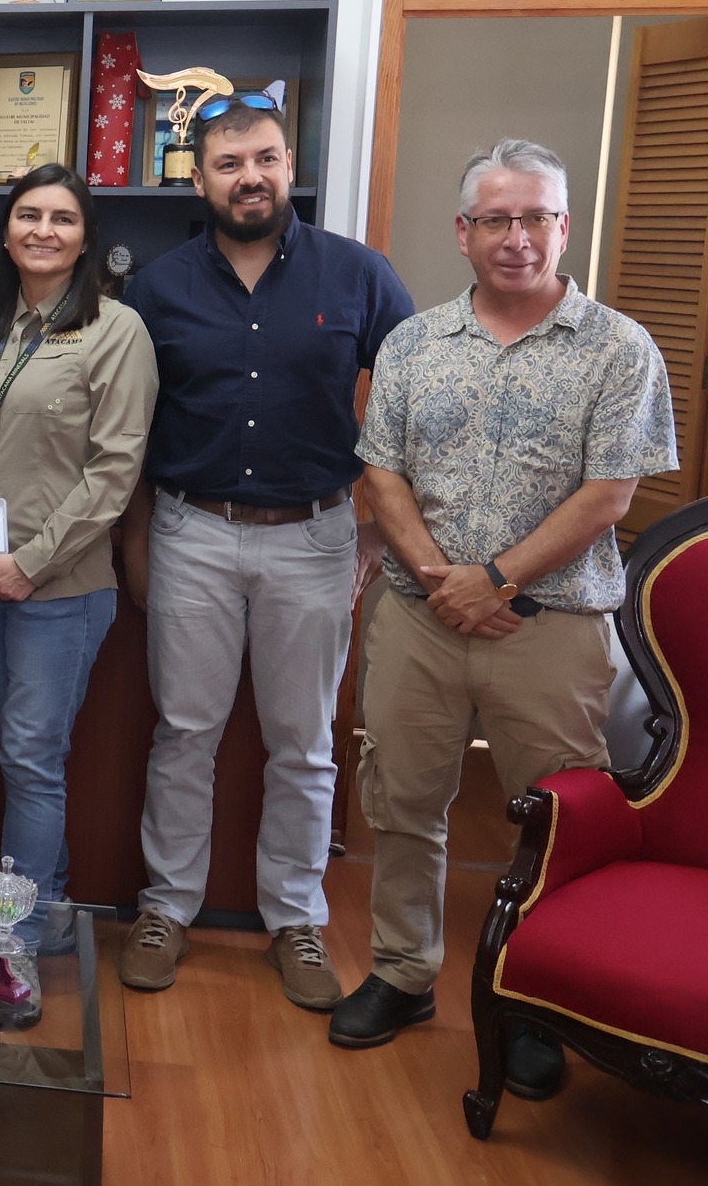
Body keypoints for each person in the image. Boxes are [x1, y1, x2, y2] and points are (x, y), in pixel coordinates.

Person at [332, 139, 675, 1089]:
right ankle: (404, 973)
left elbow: (610, 494)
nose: (517, 237)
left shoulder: (618, 347)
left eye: (536, 218)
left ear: (564, 227)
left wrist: (498, 581)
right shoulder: (413, 344)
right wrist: (445, 576)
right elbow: (381, 468)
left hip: (550, 629)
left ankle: (535, 998)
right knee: (401, 802)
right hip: (416, 616)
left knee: (554, 818)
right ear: (464, 232)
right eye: (496, 219)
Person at [117, 96, 415, 1010]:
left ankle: (296, 918)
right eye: (228, 162)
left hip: (315, 536)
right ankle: (167, 907)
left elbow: (413, 412)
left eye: (266, 158)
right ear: (197, 176)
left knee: (304, 741)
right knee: (185, 734)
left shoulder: (361, 276)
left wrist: (374, 526)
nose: (250, 176)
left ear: (291, 166)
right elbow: (129, 428)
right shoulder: (157, 288)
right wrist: (135, 538)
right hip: (191, 531)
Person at [0, 165, 157, 957]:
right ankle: (49, 901)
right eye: (28, 215)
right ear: (4, 232)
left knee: (31, 754)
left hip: (60, 588)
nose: (43, 230)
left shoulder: (115, 330)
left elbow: (116, 468)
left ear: (86, 238)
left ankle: (16, 928)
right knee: (20, 749)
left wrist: (29, 561)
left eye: (63, 218)